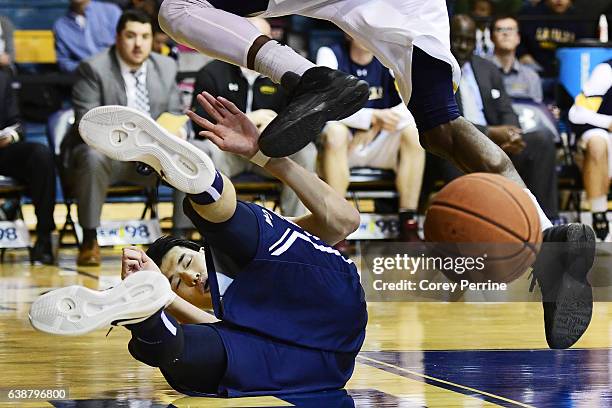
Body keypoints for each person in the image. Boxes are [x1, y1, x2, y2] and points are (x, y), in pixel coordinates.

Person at [154, 0, 595, 350]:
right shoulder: (240, 269)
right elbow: (340, 220)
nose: (192, 279)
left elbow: (338, 221)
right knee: (441, 128)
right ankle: (548, 238)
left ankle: (307, 77)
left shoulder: (237, 264)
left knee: (178, 8)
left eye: (181, 273)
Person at [30, 93, 367, 396]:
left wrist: (266, 157)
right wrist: (161, 296)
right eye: (179, 283)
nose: (191, 279)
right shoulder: (232, 312)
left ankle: (205, 188)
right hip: (316, 368)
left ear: (202, 253)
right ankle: (145, 321)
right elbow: (219, 331)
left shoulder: (258, 255)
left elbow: (344, 222)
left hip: (333, 301)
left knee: (231, 233)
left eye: (188, 264)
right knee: (182, 362)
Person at [173, 17, 316, 233]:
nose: (257, 46)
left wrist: (275, 125)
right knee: (199, 153)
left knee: (306, 152)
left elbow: (300, 122)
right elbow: (201, 124)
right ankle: (201, 232)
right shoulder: (212, 72)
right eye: (251, 38)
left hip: (271, 152)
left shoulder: (286, 77)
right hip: (228, 152)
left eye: (263, 40)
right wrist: (252, 119)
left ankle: (299, 231)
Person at [62, 9, 182, 266]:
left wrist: (173, 133)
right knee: (91, 156)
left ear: (153, 39)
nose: (138, 44)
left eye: (145, 36)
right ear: (117, 38)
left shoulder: (167, 66)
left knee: (189, 150)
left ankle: (182, 239)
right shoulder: (93, 68)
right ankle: (89, 239)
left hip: (154, 158)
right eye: (131, 36)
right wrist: (136, 144)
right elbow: (89, 124)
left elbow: (175, 112)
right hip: (110, 156)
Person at [316, 36, 424, 241]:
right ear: (348, 31)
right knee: (335, 132)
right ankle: (338, 226)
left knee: (413, 132)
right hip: (344, 146)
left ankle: (408, 220)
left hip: (378, 144)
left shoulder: (389, 58)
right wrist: (371, 117)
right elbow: (326, 104)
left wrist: (373, 126)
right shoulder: (330, 53)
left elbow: (411, 106)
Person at [452, 14, 559, 220]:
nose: (463, 46)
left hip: (497, 144)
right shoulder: (440, 70)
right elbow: (448, 121)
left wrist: (511, 133)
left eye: (469, 41)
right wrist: (491, 133)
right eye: (457, 39)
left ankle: (547, 221)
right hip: (459, 145)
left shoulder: (486, 68)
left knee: (542, 140)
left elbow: (506, 110)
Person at [0, 71, 56, 265]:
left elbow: (17, 124)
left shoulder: (3, 78)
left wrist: (10, 136)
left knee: (40, 155)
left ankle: (44, 238)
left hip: (1, 151)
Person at [569, 59, 612, 241]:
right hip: (599, 134)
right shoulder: (606, 71)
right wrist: (608, 122)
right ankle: (599, 215)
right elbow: (575, 113)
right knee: (597, 142)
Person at [518, 0, 590, 79]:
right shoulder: (529, 14)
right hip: (533, 72)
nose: (559, 0)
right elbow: (518, 43)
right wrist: (523, 56)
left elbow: (584, 48)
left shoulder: (579, 19)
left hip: (567, 72)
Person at [53, 0, 122, 73]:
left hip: (118, 72)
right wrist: (84, 68)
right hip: (86, 77)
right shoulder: (60, 26)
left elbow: (126, 47)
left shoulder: (112, 12)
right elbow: (64, 62)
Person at [490, 15, 543, 103]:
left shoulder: (531, 76)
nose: (505, 33)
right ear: (492, 37)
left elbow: (537, 111)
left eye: (510, 29)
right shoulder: (480, 71)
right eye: (500, 29)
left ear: (518, 38)